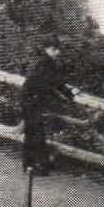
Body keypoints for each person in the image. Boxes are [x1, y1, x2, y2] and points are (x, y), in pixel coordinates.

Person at [20, 40, 75, 175]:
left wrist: (68, 94)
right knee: (34, 132)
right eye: (54, 49)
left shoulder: (50, 64)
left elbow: (57, 83)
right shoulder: (45, 64)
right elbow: (51, 84)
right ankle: (33, 165)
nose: (57, 52)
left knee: (35, 132)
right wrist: (66, 94)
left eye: (58, 49)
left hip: (34, 100)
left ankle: (35, 164)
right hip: (30, 100)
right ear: (46, 49)